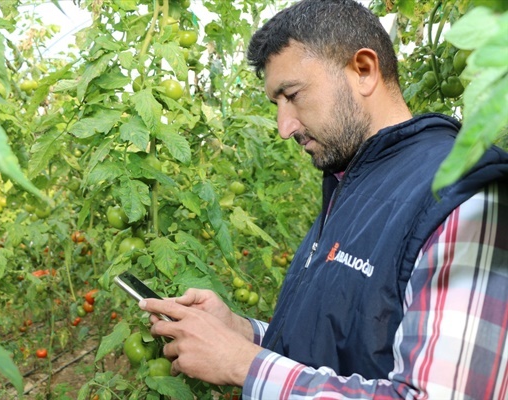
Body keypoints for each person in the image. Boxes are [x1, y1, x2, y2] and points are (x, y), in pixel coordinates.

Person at [139, 0, 508, 398]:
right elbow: (342, 350)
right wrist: (242, 334)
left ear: (363, 71)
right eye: (275, 104)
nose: (284, 126)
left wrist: (242, 363)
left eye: (293, 95)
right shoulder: (350, 183)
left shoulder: (467, 195)